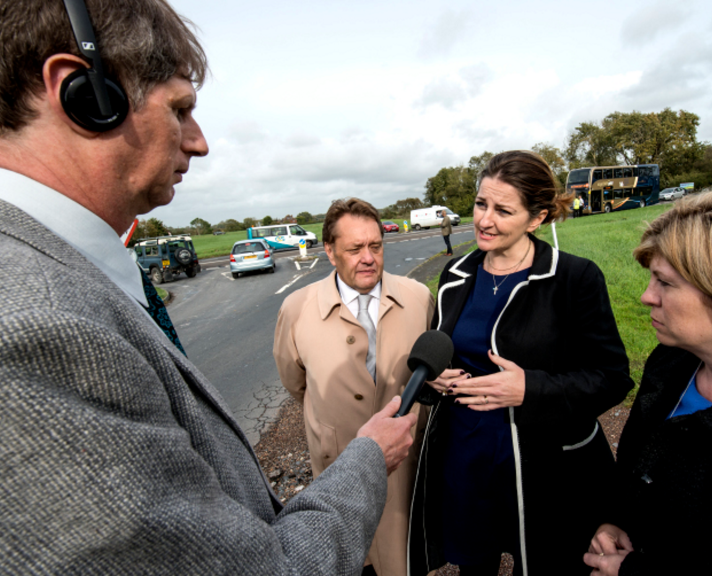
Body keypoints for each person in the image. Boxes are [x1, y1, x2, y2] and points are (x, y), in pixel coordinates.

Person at [0, 1, 417, 573]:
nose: (199, 142)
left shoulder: (63, 271)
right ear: (83, 94)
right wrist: (368, 457)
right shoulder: (33, 327)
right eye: (179, 109)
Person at [408, 150, 634, 576]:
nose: (484, 220)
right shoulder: (455, 275)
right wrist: (434, 380)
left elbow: (612, 378)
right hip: (467, 458)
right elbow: (440, 352)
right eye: (481, 204)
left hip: (545, 466)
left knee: (544, 564)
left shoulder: (575, 278)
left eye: (503, 210)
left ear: (537, 218)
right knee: (474, 566)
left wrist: (530, 389)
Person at [584, 188, 712, 576]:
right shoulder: (670, 363)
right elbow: (635, 467)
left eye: (665, 283)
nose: (646, 296)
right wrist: (615, 519)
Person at [274, 197, 434, 576]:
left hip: (406, 478)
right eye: (354, 248)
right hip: (338, 475)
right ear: (330, 251)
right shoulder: (296, 309)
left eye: (376, 246)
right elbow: (296, 384)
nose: (368, 258)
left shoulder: (418, 298)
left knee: (404, 560)